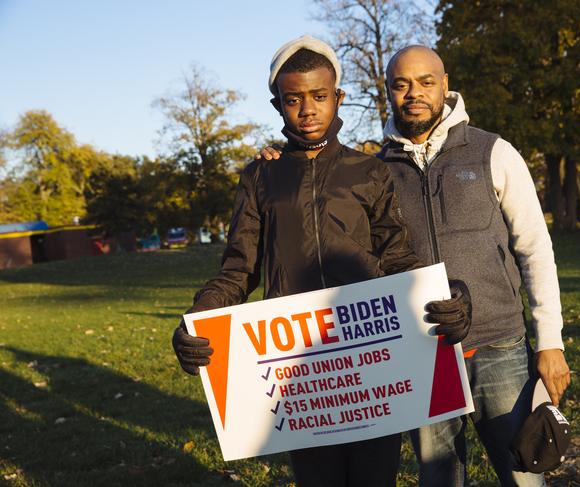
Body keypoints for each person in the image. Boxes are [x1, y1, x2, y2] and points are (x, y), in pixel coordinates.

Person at [258, 45, 570, 487]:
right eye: (401, 85)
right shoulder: (373, 169)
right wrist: (281, 159)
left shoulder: (493, 152)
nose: (414, 94)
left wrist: (550, 341)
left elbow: (535, 248)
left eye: (426, 82)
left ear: (445, 85)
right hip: (420, 352)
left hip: (499, 348)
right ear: (388, 92)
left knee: (523, 476)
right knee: (439, 477)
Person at [172, 36, 471, 487]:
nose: (307, 110)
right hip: (298, 374)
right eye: (294, 100)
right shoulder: (259, 176)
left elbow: (396, 257)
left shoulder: (369, 171)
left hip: (374, 362)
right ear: (277, 105)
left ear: (338, 97)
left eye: (318, 96)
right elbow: (238, 268)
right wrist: (199, 317)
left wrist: (449, 296)